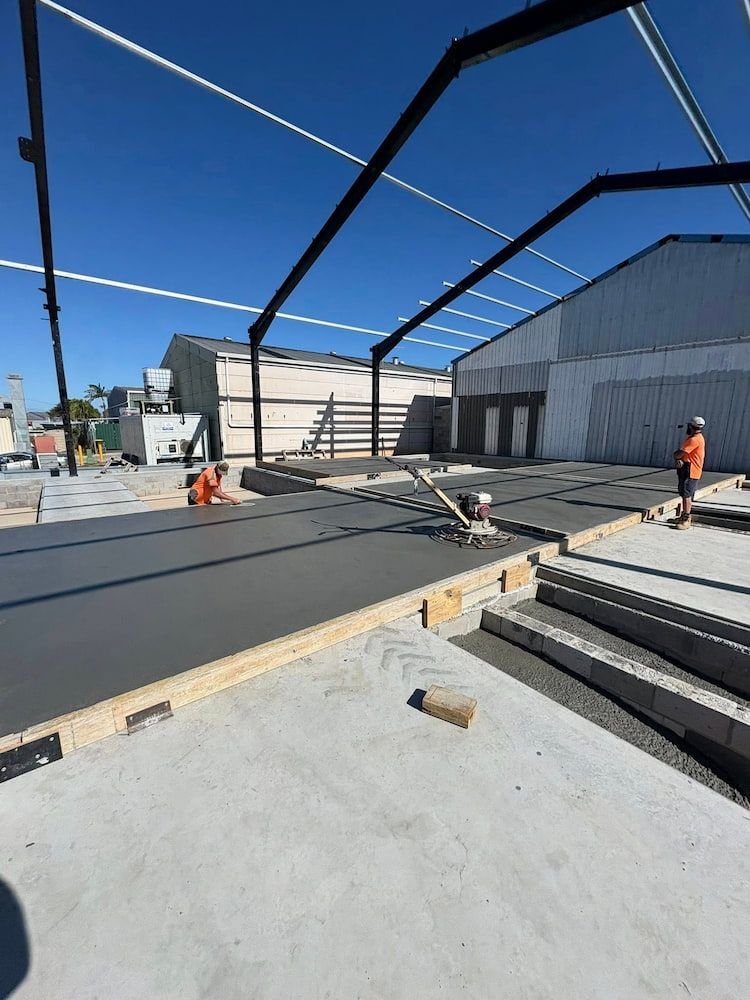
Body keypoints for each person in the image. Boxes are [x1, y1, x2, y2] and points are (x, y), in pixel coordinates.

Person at [672, 416, 705, 530]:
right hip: (687, 468)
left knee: (687, 494)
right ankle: (683, 516)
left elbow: (679, 453)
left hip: (691, 470)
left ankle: (686, 519)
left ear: (691, 426)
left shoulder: (694, 440)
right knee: (684, 493)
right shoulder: (694, 438)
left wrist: (676, 456)